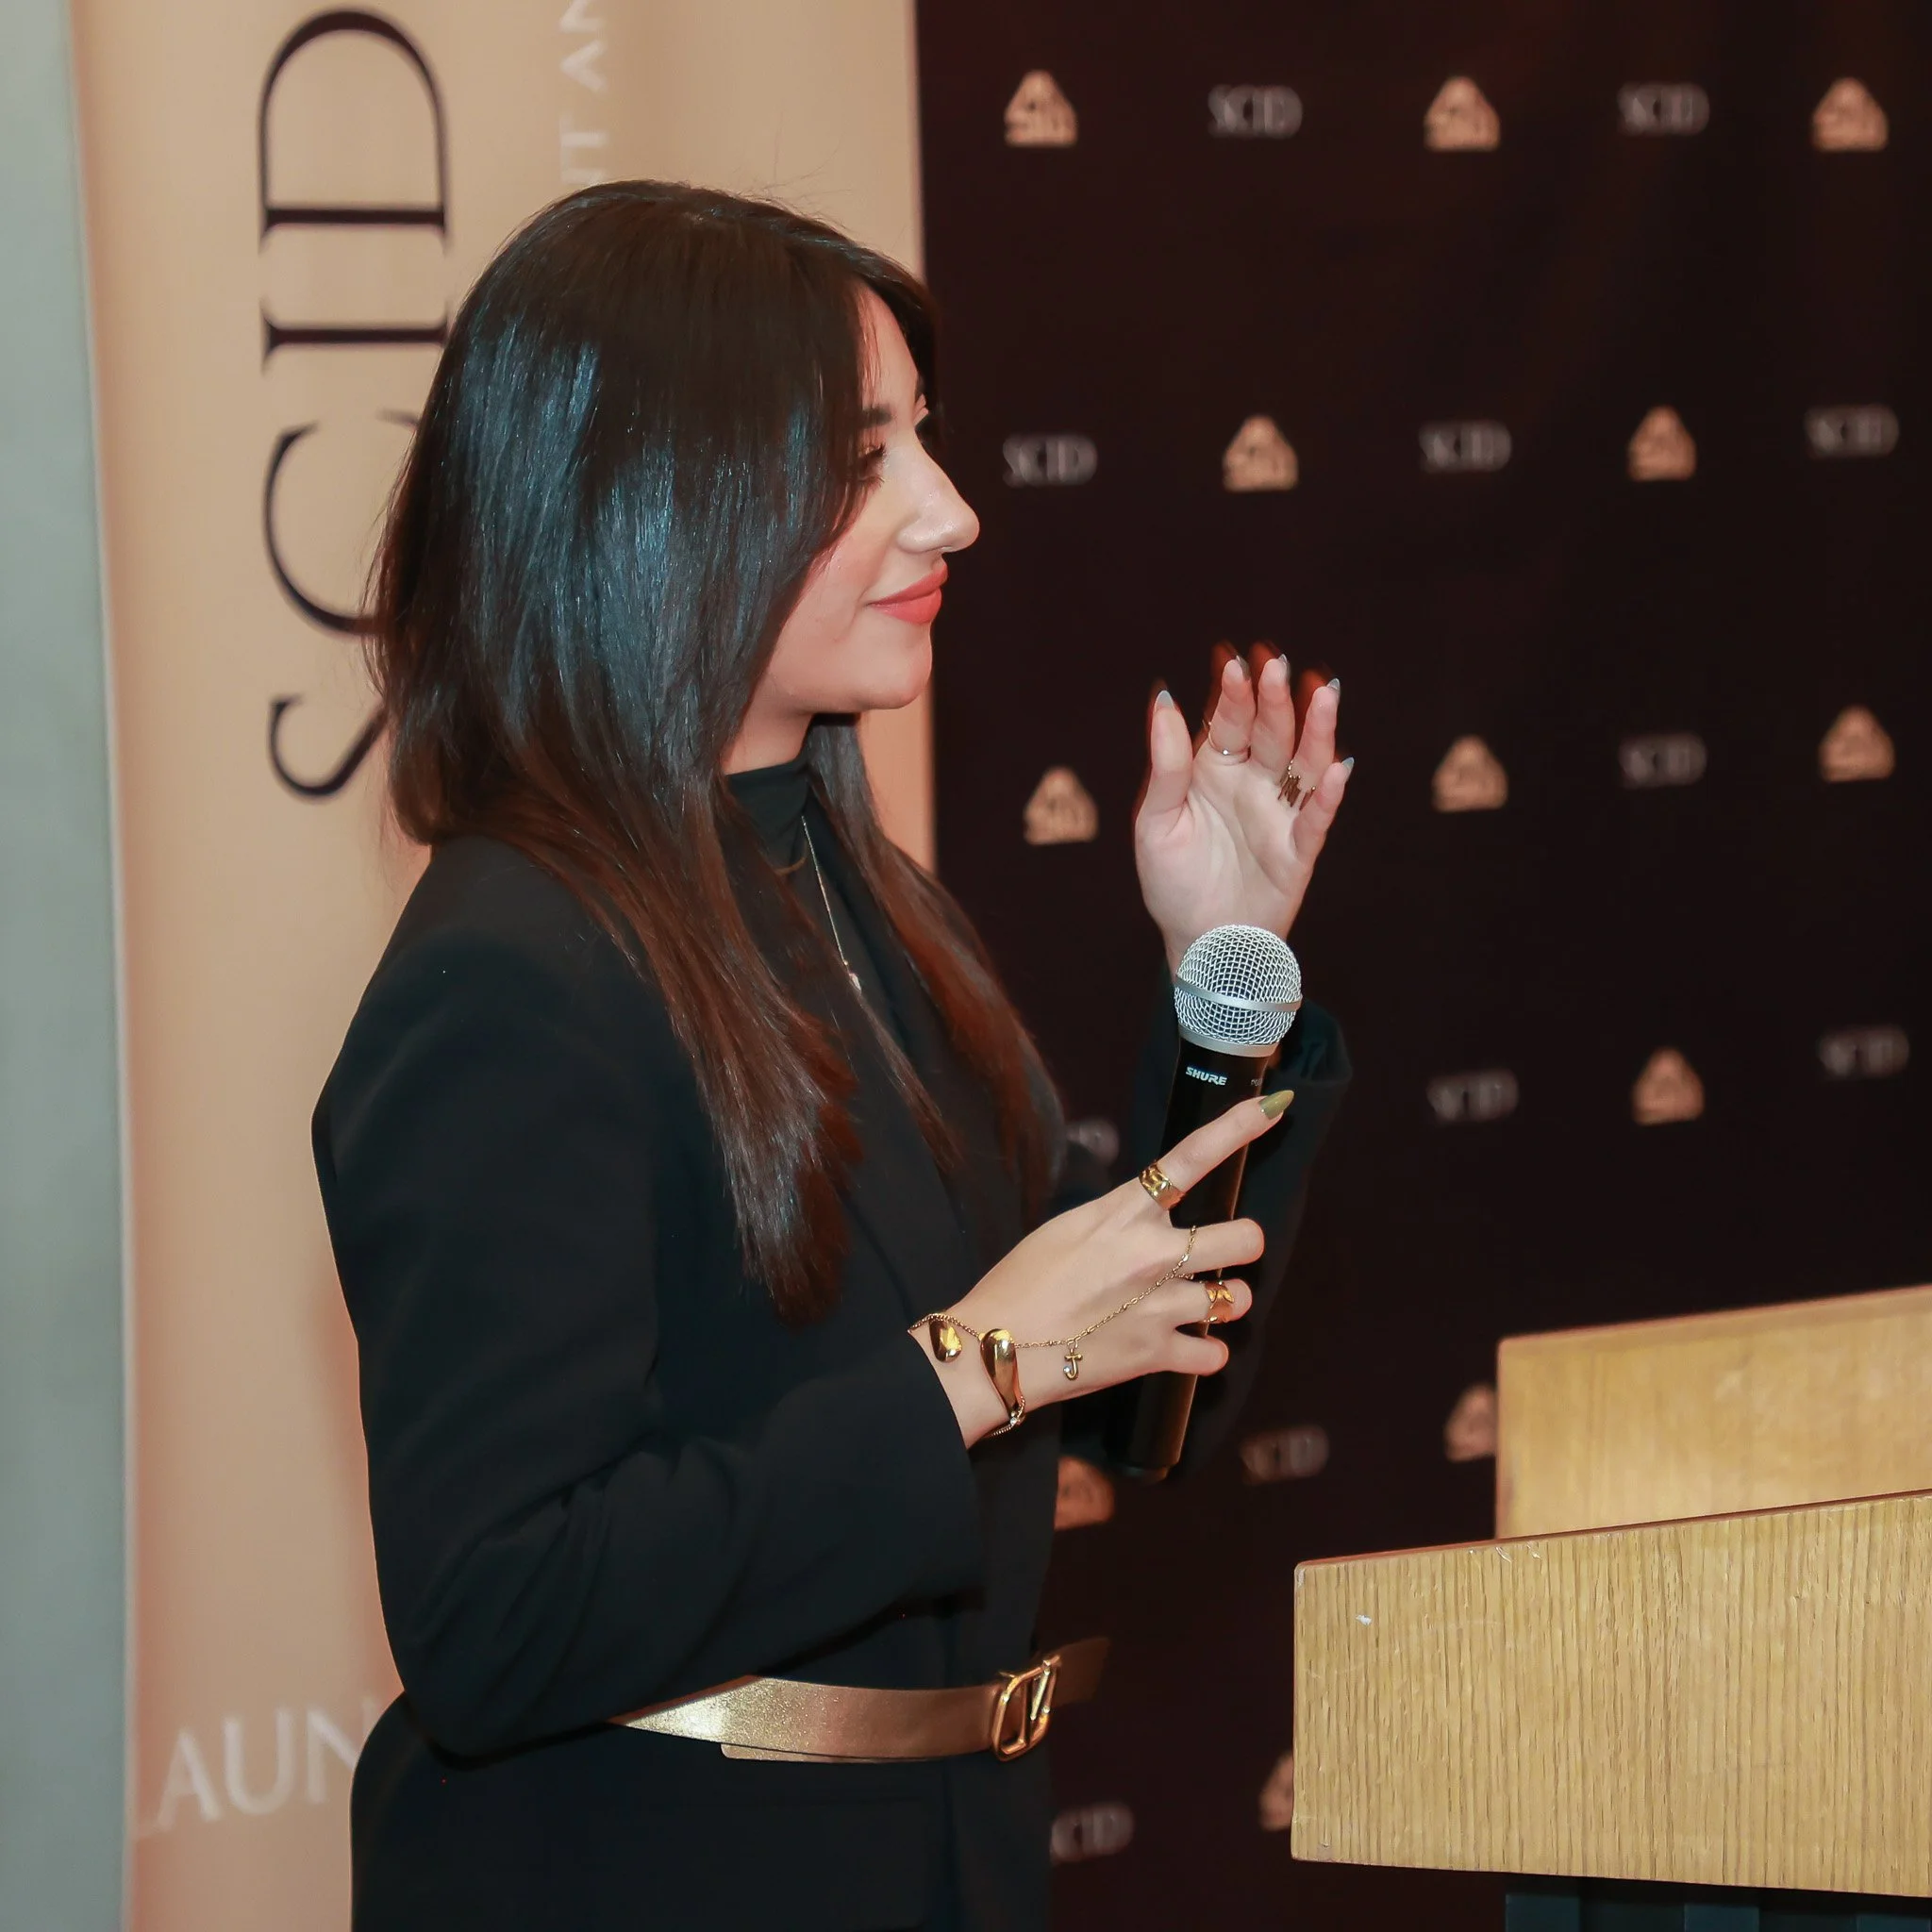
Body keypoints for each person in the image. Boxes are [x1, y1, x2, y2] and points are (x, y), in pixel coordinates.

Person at [313, 180, 1352, 1932]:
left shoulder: (838, 883)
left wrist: (1222, 982)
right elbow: (498, 1617)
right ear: (653, 493)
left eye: (923, 445)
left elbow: (1145, 1395)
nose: (950, 512)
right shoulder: (508, 970)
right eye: (863, 459)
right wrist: (974, 1366)